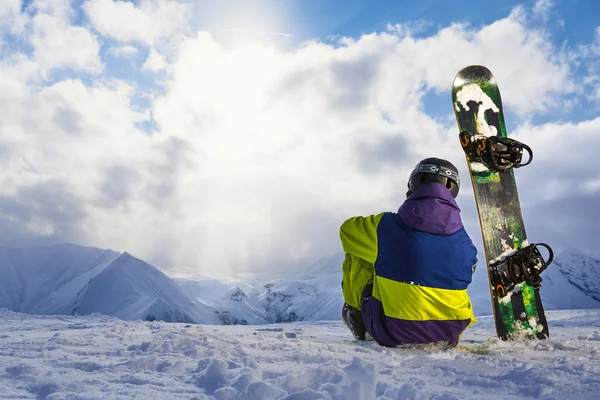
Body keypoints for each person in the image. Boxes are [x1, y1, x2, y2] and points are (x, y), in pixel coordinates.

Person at [340, 157, 478, 348]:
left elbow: (347, 231)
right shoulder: (465, 241)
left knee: (358, 256)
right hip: (450, 335)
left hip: (393, 332)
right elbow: (470, 268)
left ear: (413, 184)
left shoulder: (385, 226)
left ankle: (357, 320)